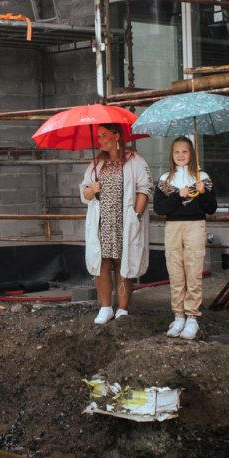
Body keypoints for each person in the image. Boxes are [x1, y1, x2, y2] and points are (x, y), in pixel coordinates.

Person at [80, 124, 153, 324]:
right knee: (101, 264)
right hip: (102, 223)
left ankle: (122, 308)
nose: (101, 139)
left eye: (105, 135)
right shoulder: (96, 164)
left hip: (124, 221)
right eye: (98, 136)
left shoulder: (134, 160)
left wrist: (136, 214)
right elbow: (84, 193)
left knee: (123, 264)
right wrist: (91, 190)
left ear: (117, 135)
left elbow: (146, 187)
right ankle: (105, 308)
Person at [153, 136, 217, 340]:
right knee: (175, 271)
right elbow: (159, 208)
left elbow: (211, 208)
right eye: (176, 152)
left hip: (195, 227)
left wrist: (203, 192)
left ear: (192, 154)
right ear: (171, 155)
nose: (181, 155)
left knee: (193, 270)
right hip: (173, 228)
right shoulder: (165, 180)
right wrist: (177, 195)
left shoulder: (202, 177)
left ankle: (192, 317)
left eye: (185, 151)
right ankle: (178, 315)